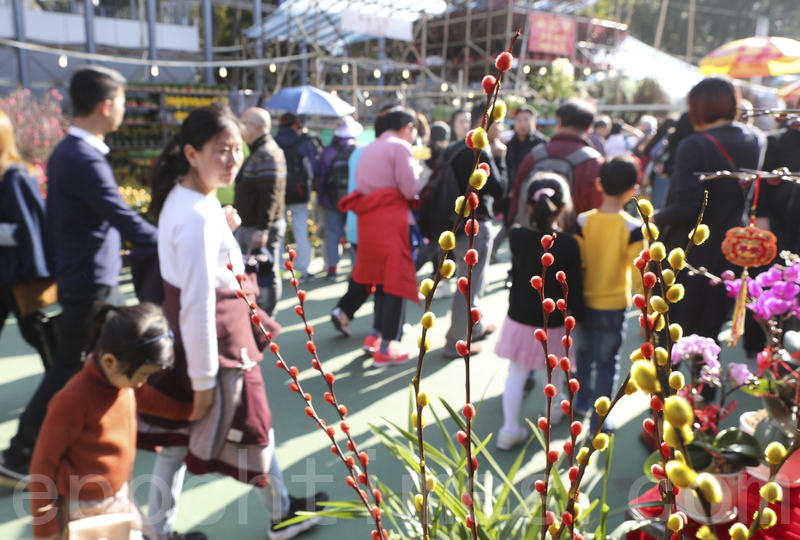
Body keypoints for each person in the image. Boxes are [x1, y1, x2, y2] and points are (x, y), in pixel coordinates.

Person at [144, 105, 326, 540]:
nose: (232, 160)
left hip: (205, 340)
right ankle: (281, 516)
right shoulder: (196, 214)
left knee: (175, 443)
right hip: (218, 347)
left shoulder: (188, 198)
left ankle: (157, 531)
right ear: (191, 153)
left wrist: (223, 226)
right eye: (221, 150)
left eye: (237, 149)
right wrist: (205, 382)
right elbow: (198, 305)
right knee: (256, 432)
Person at [0, 66, 160, 486]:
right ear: (106, 105)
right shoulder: (82, 155)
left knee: (80, 364)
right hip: (90, 280)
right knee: (69, 365)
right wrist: (172, 239)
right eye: (123, 102)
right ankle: (20, 455)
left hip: (85, 276)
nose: (125, 110)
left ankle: (67, 441)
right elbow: (119, 215)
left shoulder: (70, 152)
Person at [28, 303, 193, 540]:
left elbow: (150, 399)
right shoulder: (71, 400)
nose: (141, 383)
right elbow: (42, 465)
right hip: (84, 507)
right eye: (142, 375)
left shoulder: (123, 382)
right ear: (109, 362)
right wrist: (45, 528)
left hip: (119, 493)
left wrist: (189, 412)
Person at [654, 77, 765, 391]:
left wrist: (649, 216)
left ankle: (668, 418)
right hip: (730, 252)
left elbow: (687, 207)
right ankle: (704, 415)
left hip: (689, 253)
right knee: (708, 337)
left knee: (673, 336)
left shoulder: (694, 144)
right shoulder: (756, 139)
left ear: (699, 106)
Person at [495, 173, 584, 451]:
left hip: (519, 316)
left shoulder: (517, 234)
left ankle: (509, 430)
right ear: (563, 206)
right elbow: (575, 287)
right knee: (554, 370)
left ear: (530, 205)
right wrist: (577, 315)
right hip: (554, 320)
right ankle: (555, 412)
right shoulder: (569, 243)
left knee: (516, 372)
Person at [339, 107, 420, 366]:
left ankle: (374, 337)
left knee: (379, 280)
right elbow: (410, 189)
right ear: (407, 126)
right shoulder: (400, 147)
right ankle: (385, 348)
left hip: (369, 223)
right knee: (393, 281)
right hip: (393, 222)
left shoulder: (368, 147)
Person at [573, 156, 645, 433]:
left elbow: (575, 263)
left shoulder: (582, 221)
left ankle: (581, 403)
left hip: (581, 303)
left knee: (584, 355)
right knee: (607, 362)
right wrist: (649, 311)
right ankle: (599, 421)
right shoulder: (633, 228)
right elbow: (641, 276)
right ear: (633, 189)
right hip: (613, 306)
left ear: (599, 185)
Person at [440, 103, 507, 359]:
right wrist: (500, 158)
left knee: (471, 281)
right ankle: (456, 340)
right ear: (487, 120)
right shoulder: (481, 149)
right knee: (470, 284)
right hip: (474, 225)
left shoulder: (456, 147)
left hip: (454, 224)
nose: (500, 128)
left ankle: (474, 327)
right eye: (498, 121)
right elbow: (500, 190)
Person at [0, 110, 58, 375]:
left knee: (41, 338)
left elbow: (29, 230)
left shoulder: (16, 177)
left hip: (19, 276)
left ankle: (62, 399)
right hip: (8, 275)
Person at [330, 108, 394, 337]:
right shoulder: (384, 153)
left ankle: (346, 313)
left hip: (356, 223)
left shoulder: (359, 152)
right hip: (373, 226)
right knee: (375, 278)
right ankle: (378, 328)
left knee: (364, 275)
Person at [511, 99, 603, 233]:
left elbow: (515, 202)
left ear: (559, 122)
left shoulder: (533, 157)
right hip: (574, 245)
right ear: (589, 128)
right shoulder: (595, 164)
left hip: (531, 242)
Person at [234, 107, 286, 318]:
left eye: (243, 123)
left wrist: (262, 229)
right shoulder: (261, 150)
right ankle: (261, 313)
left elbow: (270, 195)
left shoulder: (266, 152)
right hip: (254, 224)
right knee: (258, 270)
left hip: (259, 226)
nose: (239, 127)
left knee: (266, 271)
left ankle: (266, 317)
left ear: (254, 127)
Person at [275, 113, 322, 281]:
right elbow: (313, 169)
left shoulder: (273, 142)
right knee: (301, 232)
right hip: (299, 193)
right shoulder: (303, 143)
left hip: (277, 193)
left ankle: (277, 269)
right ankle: (302, 270)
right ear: (296, 126)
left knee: (277, 232)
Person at [317, 115, 362, 281]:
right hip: (353, 200)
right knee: (354, 234)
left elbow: (321, 177)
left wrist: (322, 200)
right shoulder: (358, 149)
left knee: (333, 233)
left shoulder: (328, 151)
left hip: (332, 200)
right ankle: (356, 269)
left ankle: (332, 268)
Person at [505, 105, 549, 186]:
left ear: (534, 122)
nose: (522, 124)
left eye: (526, 120)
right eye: (519, 120)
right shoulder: (509, 145)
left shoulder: (543, 144)